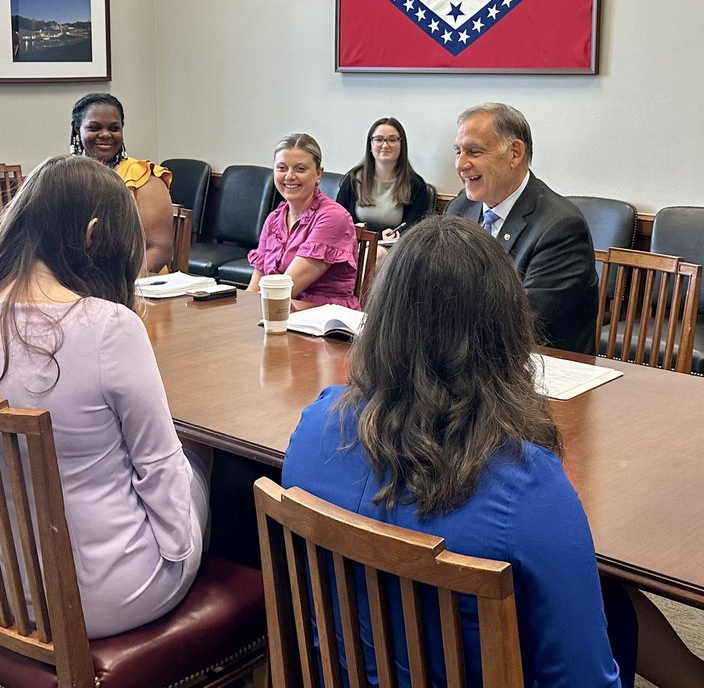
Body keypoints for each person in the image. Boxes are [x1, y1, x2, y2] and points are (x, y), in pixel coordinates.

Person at [282, 216, 704, 688]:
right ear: (504, 328)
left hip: (345, 671)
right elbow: (584, 679)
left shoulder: (315, 427)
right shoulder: (526, 483)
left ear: (380, 317)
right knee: (605, 605)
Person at [0, 154, 208, 639]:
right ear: (93, 235)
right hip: (99, 594)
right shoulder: (110, 327)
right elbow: (158, 467)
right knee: (198, 469)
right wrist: (181, 554)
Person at [444, 102, 597, 354]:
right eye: (458, 152)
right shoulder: (459, 208)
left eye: (473, 151)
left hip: (533, 374)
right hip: (465, 364)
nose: (461, 165)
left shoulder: (560, 227)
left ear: (515, 152)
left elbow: (524, 324)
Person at [247, 133, 359, 310]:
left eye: (300, 169)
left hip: (323, 322)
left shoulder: (333, 217)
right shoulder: (273, 219)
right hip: (279, 312)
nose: (289, 176)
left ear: (318, 174)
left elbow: (285, 287)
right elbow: (254, 288)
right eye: (282, 168)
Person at [69, 92, 173, 274]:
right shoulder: (66, 176)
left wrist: (118, 285)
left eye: (114, 128)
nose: (105, 134)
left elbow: (160, 250)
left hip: (139, 284)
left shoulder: (144, 178)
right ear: (77, 129)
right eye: (94, 128)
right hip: (79, 282)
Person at [335, 117, 429, 240]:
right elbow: (337, 220)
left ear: (402, 145)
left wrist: (398, 234)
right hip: (353, 245)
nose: (385, 145)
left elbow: (415, 229)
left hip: (393, 250)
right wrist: (354, 230)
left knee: (379, 254)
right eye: (378, 139)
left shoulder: (416, 185)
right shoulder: (353, 179)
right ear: (370, 144)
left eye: (392, 139)